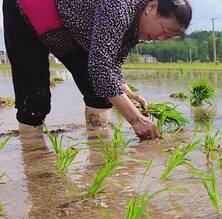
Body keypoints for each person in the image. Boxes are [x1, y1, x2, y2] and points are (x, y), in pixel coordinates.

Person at [3, 0, 192, 139]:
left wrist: (127, 91)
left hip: (67, 31)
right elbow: (100, 67)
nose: (160, 38)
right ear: (151, 6)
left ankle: (99, 152)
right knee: (35, 100)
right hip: (27, 11)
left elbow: (111, 64)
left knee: (100, 94)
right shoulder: (119, 7)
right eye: (164, 30)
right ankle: (33, 158)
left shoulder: (136, 26)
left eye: (168, 38)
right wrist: (136, 120)